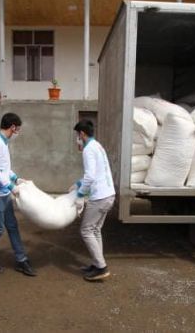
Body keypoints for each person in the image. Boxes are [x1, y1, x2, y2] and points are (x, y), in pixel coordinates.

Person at [0, 113, 36, 277]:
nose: (17, 132)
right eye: (17, 128)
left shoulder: (2, 142)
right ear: (12, 126)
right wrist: (11, 186)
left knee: (12, 226)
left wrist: (16, 179)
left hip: (3, 193)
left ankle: (21, 259)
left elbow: (4, 168)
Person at [71, 120, 116, 281]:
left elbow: (90, 176)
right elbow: (94, 173)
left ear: (82, 134)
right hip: (109, 194)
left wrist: (80, 195)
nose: (77, 139)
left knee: (86, 230)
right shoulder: (97, 145)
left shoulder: (88, 149)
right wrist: (78, 184)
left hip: (99, 197)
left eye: (77, 135)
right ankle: (97, 263)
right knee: (95, 230)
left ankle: (102, 267)